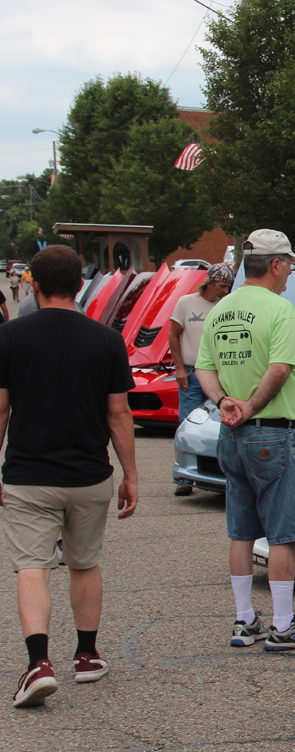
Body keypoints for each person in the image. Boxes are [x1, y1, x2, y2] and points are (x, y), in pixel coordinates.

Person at [1, 245, 138, 708]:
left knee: (32, 566)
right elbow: (118, 414)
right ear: (81, 285)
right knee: (84, 562)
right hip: (88, 474)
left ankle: (38, 663)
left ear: (32, 285)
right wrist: (130, 474)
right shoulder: (105, 340)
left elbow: (0, 409)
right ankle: (86, 655)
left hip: (28, 474)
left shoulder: (9, 336)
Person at [194, 229, 295, 651]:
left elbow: (203, 367)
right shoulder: (279, 308)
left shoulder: (220, 309)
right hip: (270, 430)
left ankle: (243, 620)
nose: (289, 271)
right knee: (282, 534)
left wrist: (224, 404)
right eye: (288, 263)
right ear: (275, 265)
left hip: (230, 434)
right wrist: (250, 406)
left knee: (241, 531)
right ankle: (284, 625)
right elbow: (280, 369)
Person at [168, 263, 234, 496]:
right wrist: (179, 368)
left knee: (221, 420)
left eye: (228, 286)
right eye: (221, 285)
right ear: (209, 282)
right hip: (190, 370)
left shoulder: (225, 305)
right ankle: (185, 477)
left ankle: (224, 470)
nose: (224, 291)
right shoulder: (186, 303)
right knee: (188, 421)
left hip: (217, 373)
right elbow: (173, 335)